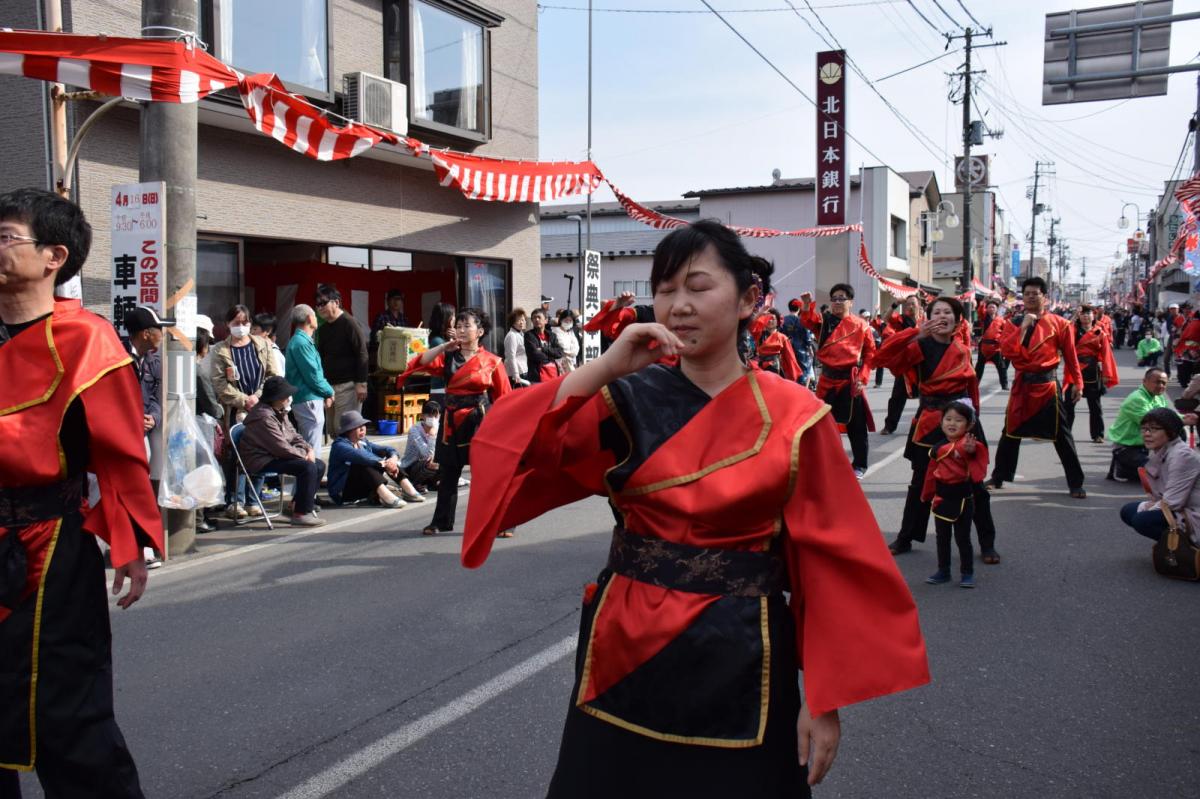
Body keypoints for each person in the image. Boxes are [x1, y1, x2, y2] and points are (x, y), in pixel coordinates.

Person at [460, 219, 929, 797]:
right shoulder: (625, 395)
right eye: (666, 289)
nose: (679, 305)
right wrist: (606, 365)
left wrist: (826, 698)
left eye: (698, 287)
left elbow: (832, 558)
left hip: (743, 650)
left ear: (747, 299)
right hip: (625, 642)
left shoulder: (795, 414)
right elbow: (520, 446)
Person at [0, 187, 162, 797]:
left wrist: (128, 543)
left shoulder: (87, 339)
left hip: (52, 544)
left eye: (6, 236)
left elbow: (120, 454)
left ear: (53, 256)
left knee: (68, 711)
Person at [871, 296, 999, 563]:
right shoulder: (918, 346)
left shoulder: (963, 349)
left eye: (947, 312)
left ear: (957, 319)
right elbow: (881, 358)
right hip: (930, 419)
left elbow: (971, 389)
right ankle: (906, 537)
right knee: (921, 482)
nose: (942, 316)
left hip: (962, 419)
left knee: (973, 483)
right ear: (927, 318)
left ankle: (987, 543)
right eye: (936, 312)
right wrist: (914, 333)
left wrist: (974, 421)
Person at [397, 308, 511, 535]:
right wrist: (443, 346)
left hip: (480, 421)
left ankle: (502, 522)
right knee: (448, 473)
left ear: (479, 331)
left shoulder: (492, 361)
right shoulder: (448, 356)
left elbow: (505, 398)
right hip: (451, 422)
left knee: (487, 476)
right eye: (458, 325)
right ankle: (441, 521)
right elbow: (421, 361)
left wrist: (506, 430)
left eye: (466, 325)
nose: (461, 329)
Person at [987, 277, 1086, 499]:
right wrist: (1023, 328)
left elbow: (1071, 357)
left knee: (1062, 435)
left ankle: (1075, 482)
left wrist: (1078, 383)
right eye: (1027, 293)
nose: (1031, 296)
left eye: (1036, 293)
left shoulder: (1060, 324)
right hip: (1022, 385)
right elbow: (1008, 352)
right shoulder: (1014, 323)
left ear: (1045, 297)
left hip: (1047, 385)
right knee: (1010, 432)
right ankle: (1000, 475)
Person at [800, 283, 877, 477]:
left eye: (842, 298)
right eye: (834, 298)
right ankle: (826, 462)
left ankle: (859, 464)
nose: (837, 302)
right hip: (827, 380)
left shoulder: (861, 325)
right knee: (822, 425)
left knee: (856, 426)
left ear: (850, 302)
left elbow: (870, 355)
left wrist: (863, 378)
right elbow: (808, 321)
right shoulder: (825, 322)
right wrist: (807, 305)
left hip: (850, 381)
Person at [211, 303, 278, 519]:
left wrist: (257, 397)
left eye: (245, 322)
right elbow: (219, 384)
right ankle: (235, 501)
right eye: (236, 323)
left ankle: (253, 499)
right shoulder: (221, 350)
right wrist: (243, 400)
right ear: (227, 324)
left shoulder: (262, 345)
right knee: (237, 456)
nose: (241, 327)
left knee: (262, 452)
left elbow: (272, 375)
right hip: (236, 411)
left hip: (261, 408)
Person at [237, 376, 326, 527]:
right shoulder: (263, 417)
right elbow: (281, 447)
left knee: (319, 465)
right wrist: (304, 455)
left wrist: (307, 448)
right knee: (308, 467)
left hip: (273, 455)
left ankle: (297, 504)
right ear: (276, 397)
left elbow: (293, 435)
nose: (288, 398)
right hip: (260, 460)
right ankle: (301, 514)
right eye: (285, 395)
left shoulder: (278, 411)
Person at [921, 401, 988, 588]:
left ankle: (967, 573)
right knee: (942, 538)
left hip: (963, 499)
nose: (952, 423)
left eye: (959, 420)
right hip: (941, 498)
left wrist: (971, 451)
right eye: (948, 419)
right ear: (941, 422)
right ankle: (943, 570)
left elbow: (977, 457)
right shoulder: (937, 448)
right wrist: (926, 495)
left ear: (969, 425)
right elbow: (930, 473)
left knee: (963, 538)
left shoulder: (967, 444)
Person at [1119, 407, 1200, 545]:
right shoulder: (1160, 449)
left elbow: (1172, 502)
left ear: (1171, 432)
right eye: (1144, 429)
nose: (1146, 434)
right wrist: (1152, 505)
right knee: (1128, 511)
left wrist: (1148, 508)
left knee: (1142, 520)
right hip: (1181, 509)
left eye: (1154, 429)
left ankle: (1186, 547)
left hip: (1193, 514)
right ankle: (1172, 546)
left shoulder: (1182, 456)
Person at [327, 410, 425, 507]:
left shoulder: (362, 442)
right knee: (364, 463)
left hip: (360, 488)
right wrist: (385, 463)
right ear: (348, 430)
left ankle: (409, 491)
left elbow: (386, 449)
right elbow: (362, 456)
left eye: (363, 425)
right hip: (342, 492)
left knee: (387, 459)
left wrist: (393, 459)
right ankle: (387, 498)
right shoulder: (339, 445)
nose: (362, 429)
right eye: (357, 426)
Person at [1106, 368, 1176, 481]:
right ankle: (1120, 468)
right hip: (1127, 447)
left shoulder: (1158, 397)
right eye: (1157, 382)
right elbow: (1153, 422)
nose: (1161, 385)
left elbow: (1169, 416)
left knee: (1171, 468)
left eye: (1164, 383)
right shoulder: (1137, 399)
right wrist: (1182, 421)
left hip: (1146, 446)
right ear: (1145, 381)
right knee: (1158, 473)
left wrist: (1186, 418)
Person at [314, 285, 368, 424]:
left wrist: (361, 383)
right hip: (329, 387)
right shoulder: (323, 329)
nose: (320, 308)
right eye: (318, 304)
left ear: (336, 302)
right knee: (333, 430)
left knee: (346, 430)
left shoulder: (350, 323)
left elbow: (362, 353)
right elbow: (321, 356)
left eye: (323, 303)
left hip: (348, 386)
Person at [285, 303, 335, 453]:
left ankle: (312, 475)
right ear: (309, 318)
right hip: (308, 399)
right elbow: (313, 375)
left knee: (309, 444)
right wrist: (329, 391)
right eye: (314, 315)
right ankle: (313, 476)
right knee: (312, 447)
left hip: (306, 398)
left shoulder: (300, 341)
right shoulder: (301, 342)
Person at [1067, 305, 1119, 444]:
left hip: (1092, 370)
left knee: (1095, 406)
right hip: (1074, 369)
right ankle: (1066, 434)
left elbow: (1106, 353)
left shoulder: (1100, 332)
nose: (1086, 316)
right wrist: (1072, 318)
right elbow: (1064, 332)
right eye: (1082, 314)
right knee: (1069, 405)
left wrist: (1107, 373)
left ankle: (1097, 434)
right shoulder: (1073, 330)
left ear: (1093, 315)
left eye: (1088, 313)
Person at [879, 296, 921, 433]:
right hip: (906, 364)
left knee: (928, 395)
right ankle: (889, 426)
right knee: (897, 397)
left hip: (923, 362)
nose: (910, 307)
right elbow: (885, 319)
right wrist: (895, 304)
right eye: (908, 304)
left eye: (913, 304)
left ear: (918, 305)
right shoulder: (902, 320)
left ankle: (925, 425)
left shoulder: (925, 321)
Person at [401, 400, 442, 492]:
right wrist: (432, 436)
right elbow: (426, 454)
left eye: (436, 416)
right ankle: (414, 484)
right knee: (430, 463)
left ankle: (433, 482)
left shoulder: (440, 427)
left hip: (431, 463)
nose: (433, 419)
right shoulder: (414, 430)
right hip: (411, 467)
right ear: (422, 416)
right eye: (430, 416)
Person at [754, 307, 801, 379]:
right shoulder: (759, 334)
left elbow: (790, 358)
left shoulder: (782, 337)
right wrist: (759, 315)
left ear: (778, 322)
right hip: (760, 369)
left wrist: (792, 376)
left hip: (775, 369)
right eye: (767, 318)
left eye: (773, 318)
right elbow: (752, 327)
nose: (770, 321)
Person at [975, 298, 1010, 390]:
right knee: (979, 367)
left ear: (996, 309)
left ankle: (1004, 385)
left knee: (1001, 367)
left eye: (993, 307)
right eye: (989, 307)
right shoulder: (984, 317)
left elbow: (1005, 332)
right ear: (987, 309)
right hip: (984, 346)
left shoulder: (1001, 320)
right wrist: (983, 302)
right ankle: (974, 385)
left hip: (996, 347)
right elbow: (980, 311)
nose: (991, 309)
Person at [525, 307, 563, 384]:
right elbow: (534, 354)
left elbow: (560, 353)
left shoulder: (552, 335)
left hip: (553, 374)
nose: (536, 320)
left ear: (546, 320)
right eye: (534, 318)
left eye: (539, 317)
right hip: (537, 377)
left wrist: (543, 349)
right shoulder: (529, 335)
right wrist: (552, 356)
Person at [780, 298, 814, 386]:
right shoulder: (802, 320)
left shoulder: (783, 320)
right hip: (801, 349)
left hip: (787, 349)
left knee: (789, 370)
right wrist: (810, 347)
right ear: (799, 308)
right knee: (804, 370)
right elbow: (806, 335)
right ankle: (803, 391)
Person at [503, 308, 531, 387]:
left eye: (523, 320)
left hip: (522, 369)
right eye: (518, 320)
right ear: (513, 323)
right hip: (516, 374)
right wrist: (516, 375)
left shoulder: (520, 334)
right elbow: (511, 356)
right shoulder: (512, 335)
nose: (522, 322)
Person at [554, 309, 582, 374]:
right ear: (561, 320)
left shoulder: (571, 332)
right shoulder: (555, 331)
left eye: (570, 320)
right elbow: (562, 347)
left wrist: (571, 353)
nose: (568, 322)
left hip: (572, 364)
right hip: (560, 364)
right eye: (566, 320)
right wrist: (568, 353)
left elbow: (576, 348)